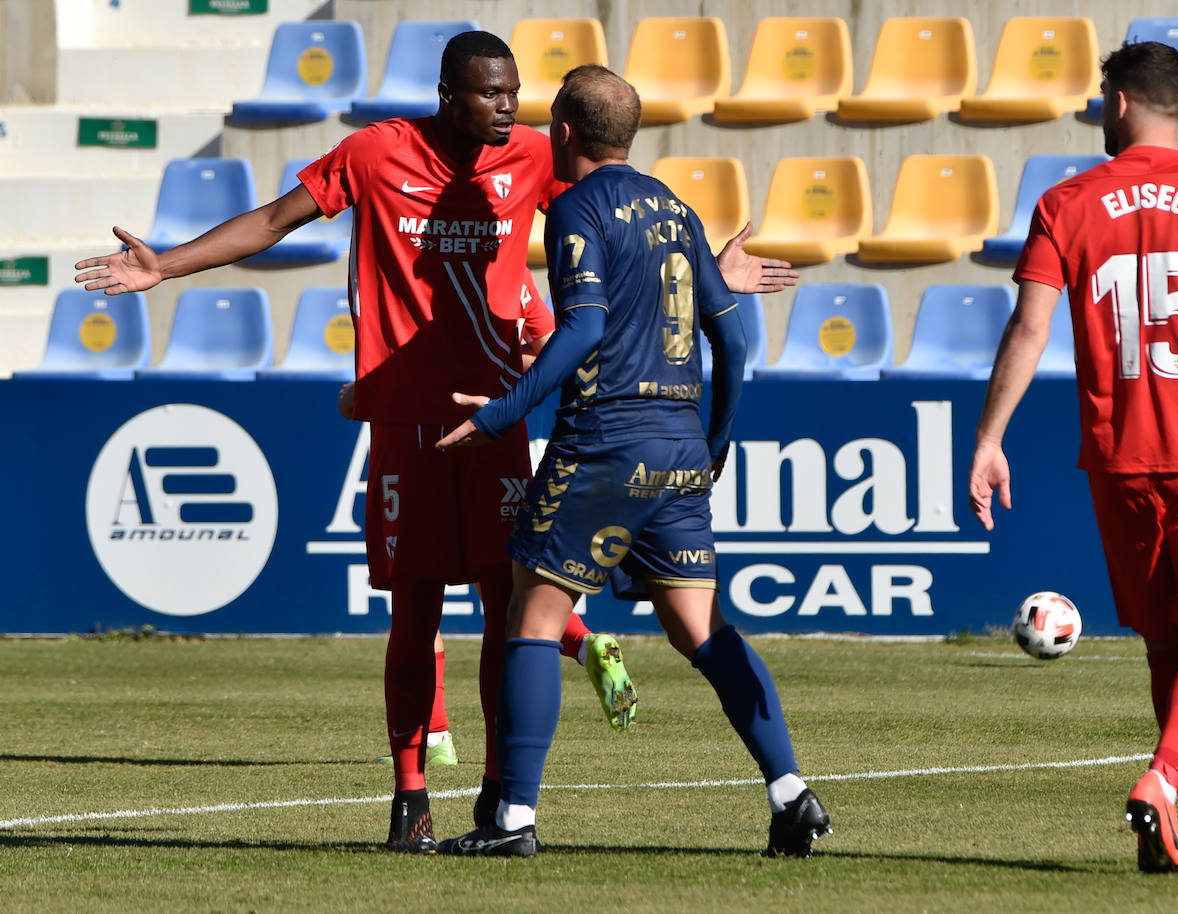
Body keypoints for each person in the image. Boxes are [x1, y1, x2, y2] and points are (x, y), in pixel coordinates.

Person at [74, 31, 797, 854]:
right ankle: (410, 794)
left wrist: (704, 271)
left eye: (516, 94)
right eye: (491, 94)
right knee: (413, 611)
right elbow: (275, 219)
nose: (508, 108)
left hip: (493, 417)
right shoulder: (376, 153)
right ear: (449, 94)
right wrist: (165, 266)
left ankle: (499, 800)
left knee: (507, 609)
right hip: (409, 423)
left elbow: (619, 198)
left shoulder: (533, 154)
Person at [431, 64, 831, 859]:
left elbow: (580, 330)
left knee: (532, 619)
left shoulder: (575, 208)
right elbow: (735, 338)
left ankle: (512, 820)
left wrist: (505, 412)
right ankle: (792, 794)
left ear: (564, 133)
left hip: (606, 438)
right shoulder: (676, 209)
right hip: (680, 445)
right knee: (699, 626)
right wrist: (714, 442)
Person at [968, 41, 1178, 875]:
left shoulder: (1066, 202)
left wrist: (988, 439)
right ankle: (1163, 781)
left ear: (1118, 102)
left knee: (1167, 648)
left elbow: (1030, 328)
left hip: (1120, 461)